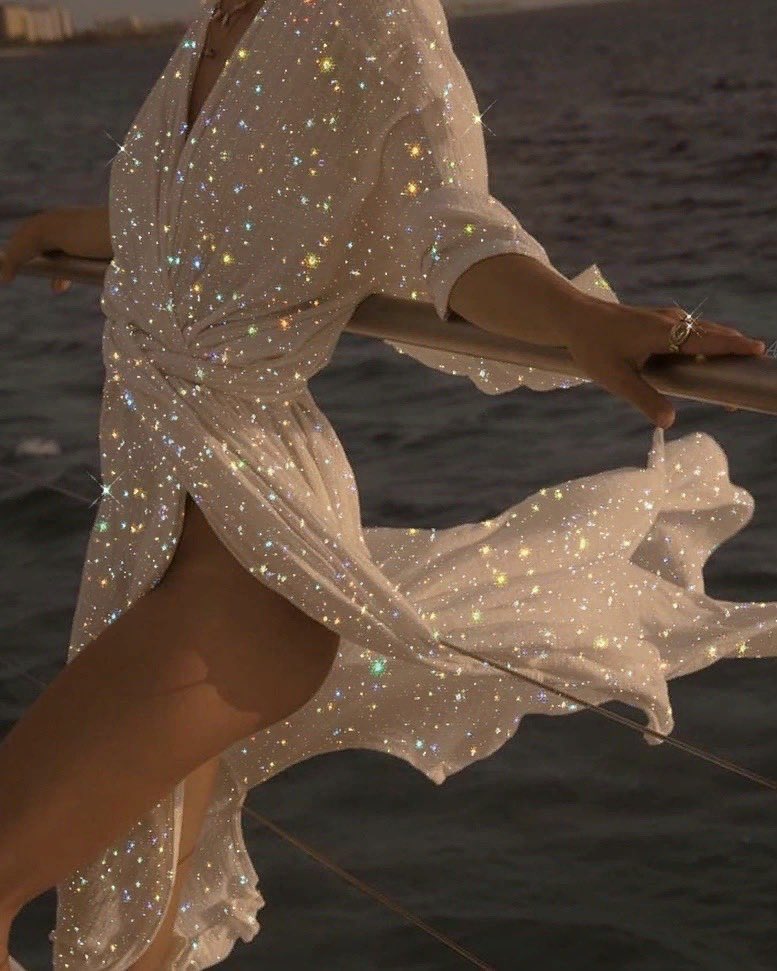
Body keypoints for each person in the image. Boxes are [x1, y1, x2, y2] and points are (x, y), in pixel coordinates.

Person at [0, 0, 774, 968]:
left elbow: (449, 231)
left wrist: (578, 319)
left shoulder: (371, 16)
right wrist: (61, 230)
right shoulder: (219, 20)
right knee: (134, 946)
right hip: (151, 539)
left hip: (243, 576)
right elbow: (194, 225)